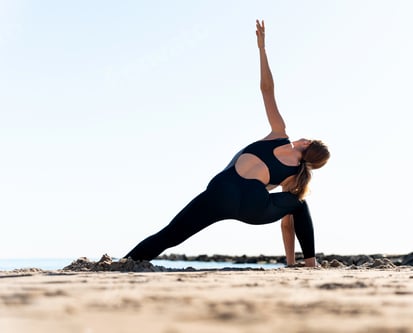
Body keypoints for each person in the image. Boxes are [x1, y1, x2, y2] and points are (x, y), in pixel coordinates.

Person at [125, 20, 330, 267]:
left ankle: (125, 263)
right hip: (253, 207)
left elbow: (267, 90)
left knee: (171, 234)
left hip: (221, 192)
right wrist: (290, 263)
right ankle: (310, 263)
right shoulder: (295, 175)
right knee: (299, 205)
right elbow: (288, 222)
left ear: (307, 142)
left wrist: (262, 49)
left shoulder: (279, 134)